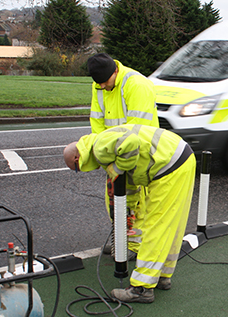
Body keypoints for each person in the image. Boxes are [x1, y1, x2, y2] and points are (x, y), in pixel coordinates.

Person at [63, 124, 196, 303]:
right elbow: (131, 182)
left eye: (77, 168)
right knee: (170, 225)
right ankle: (162, 276)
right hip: (180, 160)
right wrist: (129, 210)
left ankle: (142, 288)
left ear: (78, 157)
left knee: (155, 227)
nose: (84, 171)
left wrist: (116, 170)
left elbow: (130, 142)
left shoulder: (99, 148)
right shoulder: (103, 145)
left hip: (167, 167)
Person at [86, 53, 159, 256]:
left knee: (136, 202)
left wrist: (122, 159)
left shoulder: (136, 85)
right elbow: (97, 122)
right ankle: (120, 239)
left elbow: (137, 130)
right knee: (114, 199)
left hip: (138, 154)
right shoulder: (99, 85)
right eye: (98, 84)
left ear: (115, 71)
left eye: (105, 82)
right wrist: (104, 153)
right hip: (115, 155)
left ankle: (134, 247)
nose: (102, 87)